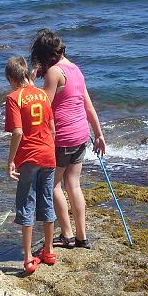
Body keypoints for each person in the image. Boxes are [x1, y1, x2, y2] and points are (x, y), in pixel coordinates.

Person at [30, 29, 105, 249]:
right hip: (81, 136)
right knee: (74, 185)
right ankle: (82, 237)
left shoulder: (54, 72)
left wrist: (30, 85)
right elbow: (88, 106)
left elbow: (41, 107)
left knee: (53, 185)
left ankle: (67, 235)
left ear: (44, 55)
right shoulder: (76, 70)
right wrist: (99, 135)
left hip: (61, 138)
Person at [4, 55, 57, 274]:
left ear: (10, 78)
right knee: (47, 200)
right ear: (26, 74)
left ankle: (27, 257)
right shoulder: (43, 95)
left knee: (26, 203)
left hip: (28, 157)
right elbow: (52, 127)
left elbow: (18, 131)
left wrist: (10, 161)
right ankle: (49, 249)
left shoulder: (13, 98)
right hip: (48, 154)